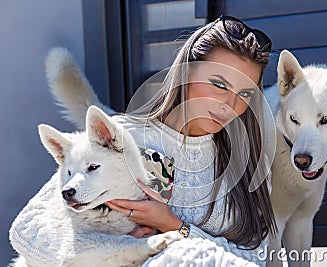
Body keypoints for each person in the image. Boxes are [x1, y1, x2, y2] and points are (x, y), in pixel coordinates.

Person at [10, 15, 276, 264]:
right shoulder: (125, 138)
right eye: (219, 85)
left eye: (245, 93)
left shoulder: (251, 165)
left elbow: (255, 260)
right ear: (185, 73)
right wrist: (121, 251)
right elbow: (27, 233)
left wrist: (173, 226)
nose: (230, 104)